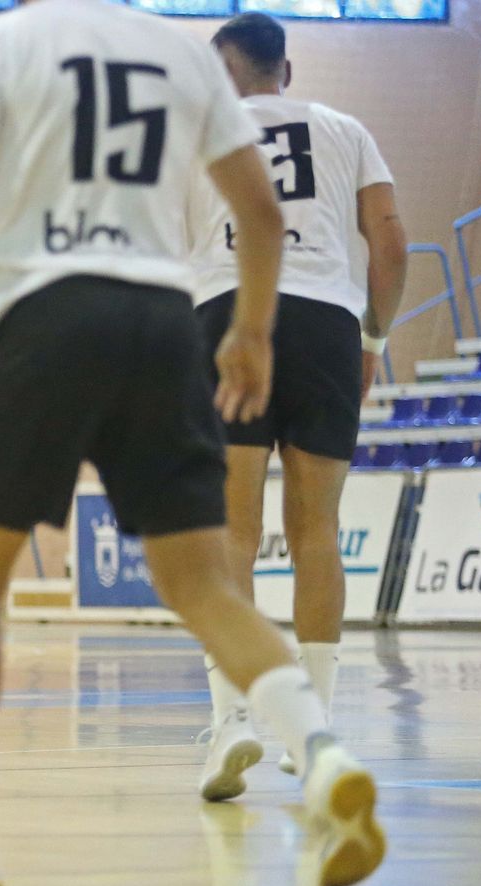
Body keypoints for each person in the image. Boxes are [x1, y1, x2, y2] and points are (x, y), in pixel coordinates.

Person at [0, 1, 382, 886]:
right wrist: (252, 331)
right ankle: (326, 758)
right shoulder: (179, 54)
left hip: (47, 315)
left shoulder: (6, 42)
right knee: (202, 585)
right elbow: (260, 213)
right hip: (160, 326)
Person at [189, 12, 408, 790]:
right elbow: (390, 243)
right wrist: (373, 341)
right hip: (324, 323)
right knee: (317, 529)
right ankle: (313, 734)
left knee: (230, 531)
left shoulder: (199, 131)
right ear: (286, 67)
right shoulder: (346, 129)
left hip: (227, 314)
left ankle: (231, 722)